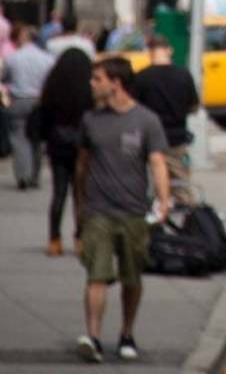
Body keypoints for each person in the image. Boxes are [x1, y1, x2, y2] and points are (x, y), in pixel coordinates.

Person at [74, 55, 171, 363]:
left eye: (97, 79)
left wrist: (163, 200)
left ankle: (127, 333)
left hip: (133, 211)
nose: (91, 84)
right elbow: (82, 166)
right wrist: (79, 207)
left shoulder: (146, 120)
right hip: (98, 211)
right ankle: (94, 336)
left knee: (132, 278)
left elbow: (157, 162)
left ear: (115, 83)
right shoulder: (90, 120)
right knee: (97, 275)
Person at [39, 48, 96, 256]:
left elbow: (43, 115)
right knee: (80, 194)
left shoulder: (53, 86)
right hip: (82, 148)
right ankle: (80, 237)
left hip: (58, 145)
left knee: (59, 193)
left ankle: (54, 239)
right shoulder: (88, 89)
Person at [132, 34, 200, 205]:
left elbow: (133, 109)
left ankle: (156, 223)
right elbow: (194, 106)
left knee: (151, 188)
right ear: (169, 50)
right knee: (183, 188)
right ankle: (191, 225)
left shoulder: (142, 78)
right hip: (177, 139)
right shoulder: (183, 75)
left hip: (150, 141)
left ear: (149, 51)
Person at [2, 22, 56, 189]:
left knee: (19, 139)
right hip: (39, 101)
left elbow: (4, 78)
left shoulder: (13, 58)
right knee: (37, 140)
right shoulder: (48, 59)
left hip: (18, 99)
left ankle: (23, 175)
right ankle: (35, 176)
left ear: (24, 39)